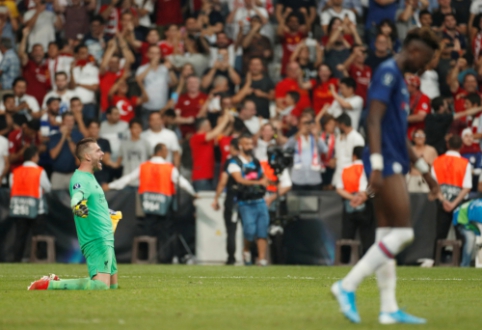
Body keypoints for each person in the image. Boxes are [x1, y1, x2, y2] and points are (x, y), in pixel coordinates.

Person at [331, 28, 440, 324]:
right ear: (415, 51)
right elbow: (373, 119)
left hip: (394, 157)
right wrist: (377, 165)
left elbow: (399, 135)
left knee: (384, 234)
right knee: (404, 233)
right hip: (386, 161)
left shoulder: (401, 81)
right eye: (427, 59)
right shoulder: (389, 72)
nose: (426, 66)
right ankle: (346, 285)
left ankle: (388, 308)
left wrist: (427, 174)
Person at [28, 138, 121, 290]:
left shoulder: (90, 177)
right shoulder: (80, 179)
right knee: (100, 286)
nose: (102, 153)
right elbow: (77, 198)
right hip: (96, 239)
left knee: (113, 287)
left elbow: (93, 203)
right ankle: (51, 285)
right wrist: (77, 206)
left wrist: (108, 213)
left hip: (106, 238)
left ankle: (54, 281)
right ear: (88, 156)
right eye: (98, 150)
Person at [106, 143, 196, 263]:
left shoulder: (144, 166)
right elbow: (183, 183)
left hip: (148, 205)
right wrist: (193, 193)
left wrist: (110, 185)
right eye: (165, 151)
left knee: (147, 232)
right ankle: (165, 258)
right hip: (164, 205)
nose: (167, 153)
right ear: (160, 152)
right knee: (165, 233)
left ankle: (145, 258)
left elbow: (128, 179)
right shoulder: (169, 167)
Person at [227, 133, 270, 266]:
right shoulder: (234, 162)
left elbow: (264, 177)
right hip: (245, 202)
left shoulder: (256, 161)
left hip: (260, 200)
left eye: (251, 144)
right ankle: (246, 250)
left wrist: (263, 182)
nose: (250, 146)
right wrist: (258, 183)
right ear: (240, 146)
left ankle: (262, 259)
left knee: (263, 230)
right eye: (247, 144)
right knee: (249, 231)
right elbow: (239, 179)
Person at [431, 135, 472, 262]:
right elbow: (467, 187)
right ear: (461, 146)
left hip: (442, 202)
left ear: (448, 145)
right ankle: (460, 262)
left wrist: (444, 201)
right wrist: (454, 203)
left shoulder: (437, 161)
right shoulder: (465, 163)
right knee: (461, 234)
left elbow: (434, 185)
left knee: (439, 233)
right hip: (459, 203)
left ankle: (436, 260)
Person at [10, 146, 51, 262]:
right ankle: (41, 259)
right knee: (39, 237)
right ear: (33, 157)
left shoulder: (15, 172)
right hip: (37, 209)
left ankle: (16, 261)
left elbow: (11, 187)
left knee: (20, 236)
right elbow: (47, 187)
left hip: (19, 208)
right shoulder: (39, 171)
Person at [336, 146, 375, 263]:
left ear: (354, 156)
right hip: (367, 204)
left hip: (349, 204)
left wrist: (353, 198)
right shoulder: (370, 169)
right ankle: (368, 262)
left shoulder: (345, 169)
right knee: (368, 236)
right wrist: (362, 198)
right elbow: (374, 186)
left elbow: (339, 189)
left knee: (347, 236)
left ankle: (344, 261)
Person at [212, 138, 240, 265]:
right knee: (251, 230)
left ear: (233, 148)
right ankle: (253, 256)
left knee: (231, 230)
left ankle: (231, 258)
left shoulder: (231, 161)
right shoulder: (252, 160)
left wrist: (216, 198)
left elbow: (223, 181)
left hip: (233, 199)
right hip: (250, 199)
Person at [284, 112, 328, 191]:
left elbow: (325, 150)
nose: (306, 125)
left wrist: (316, 135)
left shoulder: (315, 137)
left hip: (314, 178)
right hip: (298, 178)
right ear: (299, 125)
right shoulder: (295, 137)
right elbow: (286, 148)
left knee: (315, 202)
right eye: (304, 123)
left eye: (308, 123)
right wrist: (299, 133)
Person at [190, 112, 232, 191]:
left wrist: (230, 123)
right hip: (201, 176)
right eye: (209, 125)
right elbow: (215, 133)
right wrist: (225, 121)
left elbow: (222, 136)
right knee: (203, 201)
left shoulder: (208, 139)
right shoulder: (196, 137)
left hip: (210, 175)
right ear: (203, 127)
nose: (211, 127)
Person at [48, 112, 84, 189]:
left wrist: (69, 138)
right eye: (67, 121)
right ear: (63, 122)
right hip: (58, 174)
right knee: (55, 199)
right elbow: (53, 155)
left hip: (73, 174)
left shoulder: (79, 136)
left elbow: (78, 156)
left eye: (72, 120)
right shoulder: (55, 136)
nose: (70, 123)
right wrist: (63, 137)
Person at [117, 118, 151, 189]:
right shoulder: (124, 144)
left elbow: (152, 160)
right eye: (135, 127)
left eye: (139, 127)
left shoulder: (146, 143)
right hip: (127, 179)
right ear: (130, 129)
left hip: (142, 180)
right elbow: (118, 163)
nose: (137, 130)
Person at [332, 113, 365, 188]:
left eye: (338, 126)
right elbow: (338, 157)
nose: (337, 128)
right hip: (339, 179)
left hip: (351, 179)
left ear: (342, 125)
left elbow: (358, 162)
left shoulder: (357, 139)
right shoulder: (340, 138)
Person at [406, 128, 438, 193]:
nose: (420, 137)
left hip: (426, 180)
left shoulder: (431, 150)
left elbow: (436, 168)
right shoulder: (410, 150)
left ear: (425, 138)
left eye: (422, 135)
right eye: (417, 135)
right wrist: (415, 162)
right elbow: (405, 166)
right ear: (413, 138)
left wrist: (425, 162)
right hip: (411, 179)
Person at [406, 74, 431, 139]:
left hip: (418, 131)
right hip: (407, 129)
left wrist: (402, 119)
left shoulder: (423, 98)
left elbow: (421, 116)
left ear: (414, 86)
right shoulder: (406, 96)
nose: (405, 86)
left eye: (407, 85)